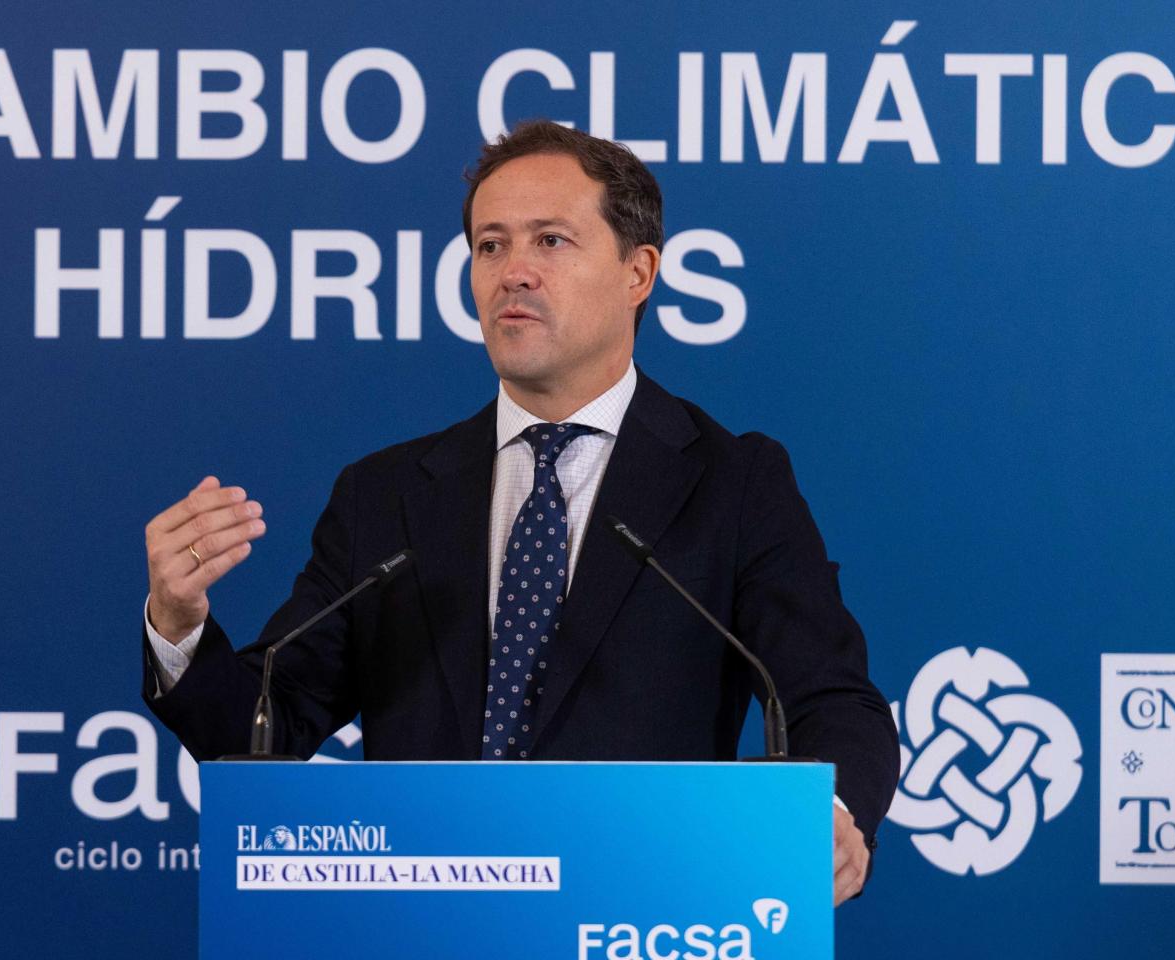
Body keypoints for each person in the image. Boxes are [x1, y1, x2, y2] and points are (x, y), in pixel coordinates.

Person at [139, 119, 899, 904]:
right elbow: (266, 729)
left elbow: (830, 698)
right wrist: (178, 623)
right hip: (424, 923)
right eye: (491, 246)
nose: (513, 273)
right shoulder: (387, 495)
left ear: (638, 271)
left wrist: (832, 813)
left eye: (551, 242)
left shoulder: (733, 484)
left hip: (641, 915)